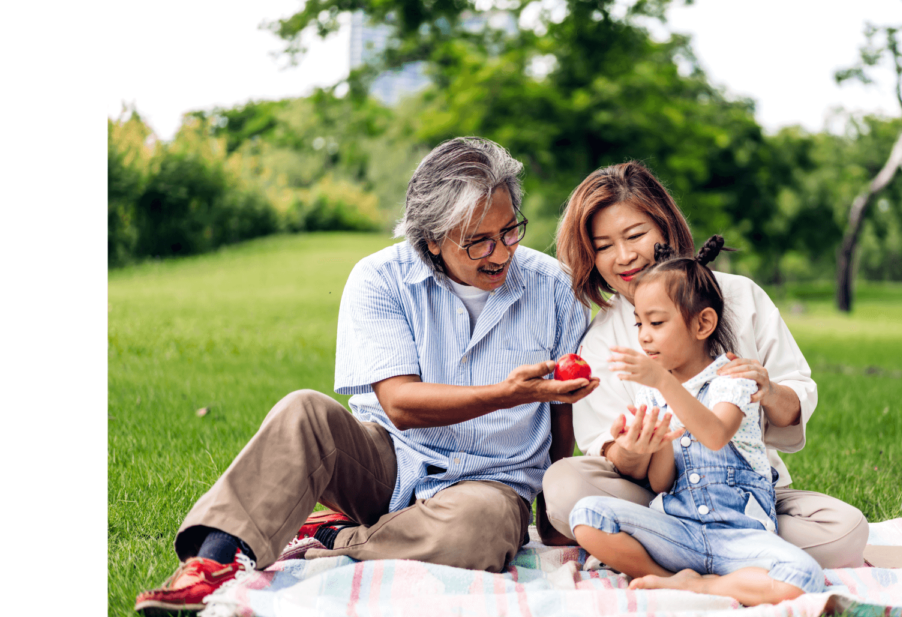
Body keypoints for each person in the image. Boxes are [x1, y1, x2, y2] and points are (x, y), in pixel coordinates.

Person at [135, 137, 599, 615]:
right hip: (389, 462)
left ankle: (333, 538)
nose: (500, 253)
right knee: (303, 412)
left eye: (509, 232)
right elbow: (400, 403)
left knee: (477, 530)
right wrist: (506, 394)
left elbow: (560, 410)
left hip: (492, 486)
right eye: (477, 241)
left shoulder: (556, 288)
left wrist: (550, 514)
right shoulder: (380, 278)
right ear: (432, 240)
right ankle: (214, 562)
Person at [540, 161, 868, 570]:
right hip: (657, 502)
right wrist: (635, 449)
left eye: (635, 235)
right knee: (565, 486)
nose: (623, 256)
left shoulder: (739, 296)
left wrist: (768, 391)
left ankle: (682, 556)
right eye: (603, 246)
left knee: (846, 530)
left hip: (745, 496)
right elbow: (617, 460)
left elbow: (794, 398)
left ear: (665, 227)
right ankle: (727, 557)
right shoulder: (602, 341)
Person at [571, 237, 824, 606]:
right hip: (679, 530)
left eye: (656, 322)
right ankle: (668, 578)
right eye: (639, 323)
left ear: (703, 323)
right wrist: (652, 441)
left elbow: (716, 434)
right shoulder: (653, 392)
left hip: (741, 534)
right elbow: (662, 482)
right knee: (588, 515)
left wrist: (661, 382)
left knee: (803, 576)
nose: (643, 336)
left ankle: (700, 587)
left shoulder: (733, 377)